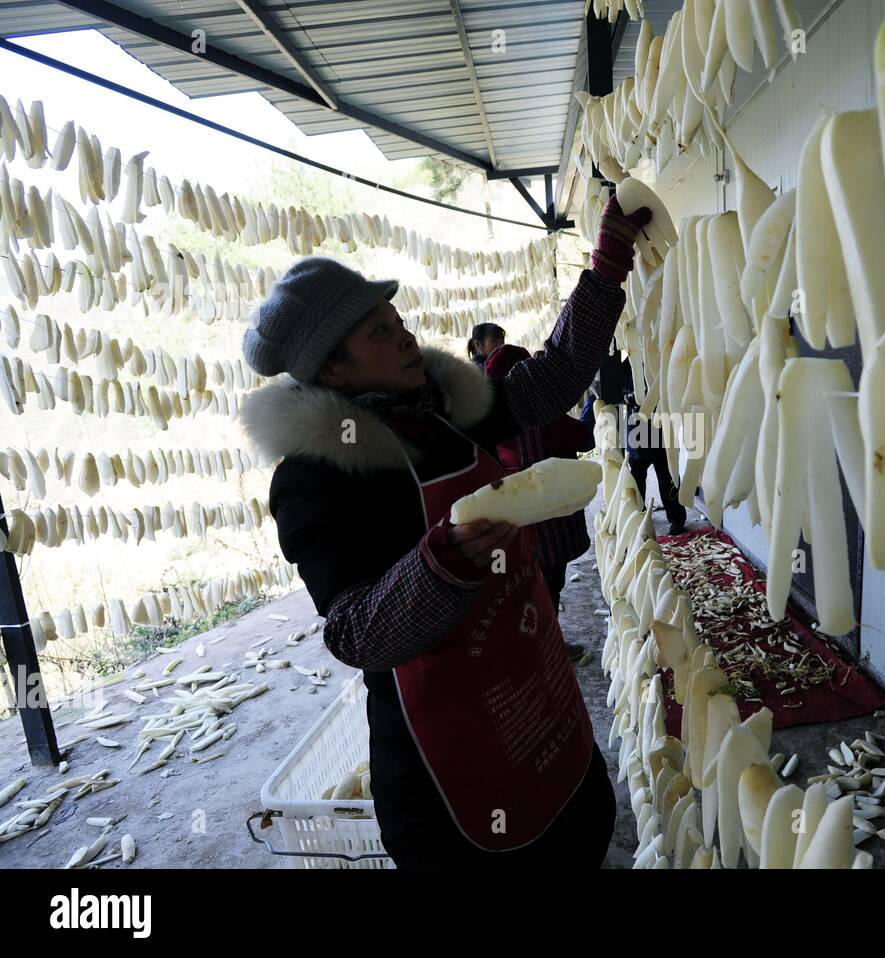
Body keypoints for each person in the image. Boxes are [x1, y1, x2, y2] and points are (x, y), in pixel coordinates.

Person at [238, 195, 652, 868]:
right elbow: (355, 633)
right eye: (376, 332)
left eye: (396, 319)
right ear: (331, 370)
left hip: (532, 684)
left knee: (577, 827)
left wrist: (607, 266)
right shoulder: (316, 477)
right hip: (448, 740)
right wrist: (440, 566)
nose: (404, 336)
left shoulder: (444, 411)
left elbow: (551, 381)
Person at [480, 340, 596, 661]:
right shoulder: (544, 418)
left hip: (514, 525)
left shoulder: (485, 420)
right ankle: (543, 650)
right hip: (551, 526)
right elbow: (585, 437)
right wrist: (591, 410)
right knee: (547, 587)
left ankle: (534, 645)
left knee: (523, 587)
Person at [619, 359, 688, 535]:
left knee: (667, 477)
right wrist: (631, 395)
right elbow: (620, 392)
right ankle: (637, 517)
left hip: (661, 429)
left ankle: (677, 519)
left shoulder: (659, 359)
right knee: (636, 480)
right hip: (637, 429)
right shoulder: (628, 364)